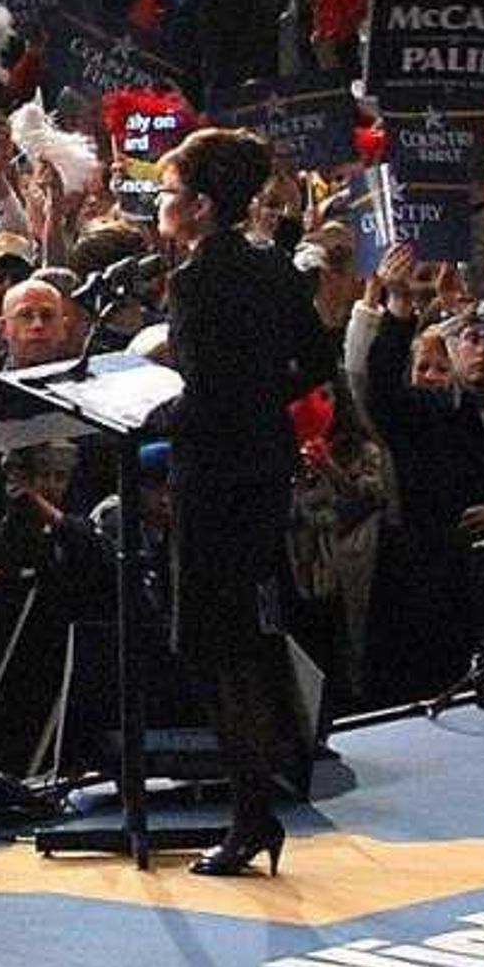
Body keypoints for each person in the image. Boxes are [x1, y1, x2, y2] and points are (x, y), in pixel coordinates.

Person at [154, 126, 338, 876]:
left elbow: (200, 396)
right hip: (263, 470)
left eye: (169, 194)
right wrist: (265, 400)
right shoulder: (272, 268)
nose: (162, 205)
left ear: (199, 205)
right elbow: (316, 362)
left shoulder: (194, 282)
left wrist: (152, 411)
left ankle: (252, 817)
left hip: (213, 482)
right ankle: (255, 810)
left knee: (212, 649)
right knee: (247, 645)